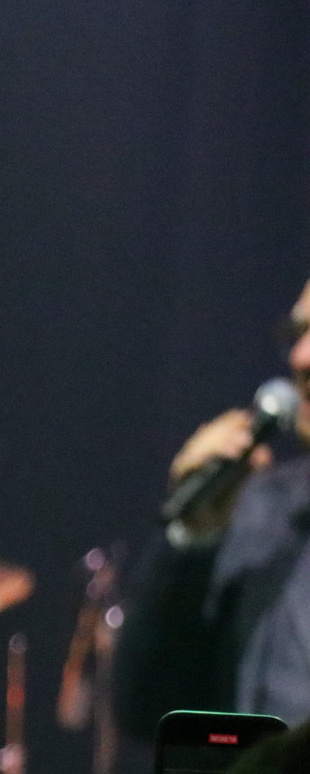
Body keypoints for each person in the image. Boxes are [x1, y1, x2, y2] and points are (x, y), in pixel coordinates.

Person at [118, 276, 310, 731]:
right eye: (297, 334)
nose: (301, 358)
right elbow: (148, 710)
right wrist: (193, 534)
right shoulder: (259, 507)